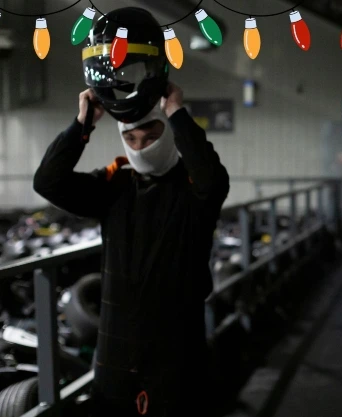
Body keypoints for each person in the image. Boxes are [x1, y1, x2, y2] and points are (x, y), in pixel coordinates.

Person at [33, 7, 229, 417]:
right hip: (115, 361)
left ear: (169, 132)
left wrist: (176, 111)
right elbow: (48, 182)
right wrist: (82, 125)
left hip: (177, 360)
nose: (140, 146)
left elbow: (213, 179)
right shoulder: (113, 187)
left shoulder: (192, 190)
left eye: (151, 133)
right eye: (132, 138)